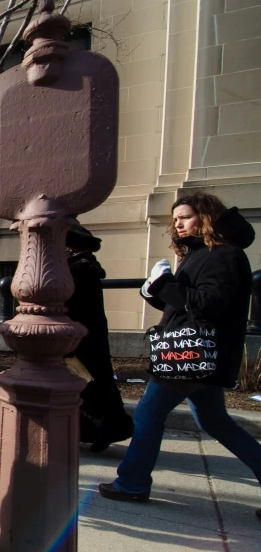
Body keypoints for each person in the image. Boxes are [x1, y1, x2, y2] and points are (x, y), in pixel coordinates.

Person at [99, 192, 261, 520]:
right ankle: (132, 481)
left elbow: (207, 305)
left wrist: (164, 286)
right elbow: (184, 305)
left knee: (148, 414)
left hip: (189, 357)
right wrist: (156, 292)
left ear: (206, 217)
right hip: (195, 357)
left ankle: (131, 482)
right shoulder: (201, 254)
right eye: (175, 219)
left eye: (184, 217)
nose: (178, 224)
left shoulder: (224, 255)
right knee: (217, 422)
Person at [65, 225, 134, 452]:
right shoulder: (86, 266)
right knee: (95, 384)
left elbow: (70, 304)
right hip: (91, 335)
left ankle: (100, 430)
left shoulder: (77, 269)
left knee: (87, 384)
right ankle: (100, 431)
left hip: (80, 337)